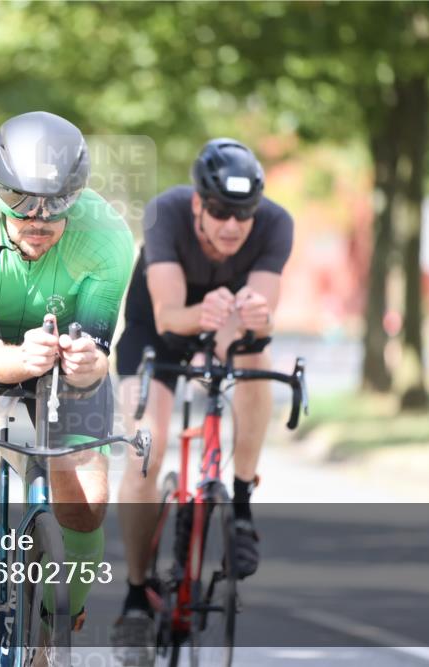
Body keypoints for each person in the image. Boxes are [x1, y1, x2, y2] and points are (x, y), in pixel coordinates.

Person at [0, 111, 134, 660]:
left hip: (55, 332)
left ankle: (60, 615)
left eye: (56, 203)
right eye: (19, 200)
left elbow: (97, 358)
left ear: (76, 196)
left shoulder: (108, 238)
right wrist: (23, 359)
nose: (37, 218)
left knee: (85, 499)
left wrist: (86, 364)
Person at [112, 138, 294, 641]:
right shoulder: (165, 213)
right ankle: (135, 591)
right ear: (198, 203)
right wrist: (210, 314)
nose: (231, 225)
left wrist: (251, 319)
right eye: (219, 211)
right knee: (146, 451)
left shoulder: (276, 223)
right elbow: (170, 316)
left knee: (258, 356)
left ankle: (238, 501)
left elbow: (260, 317)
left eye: (243, 213)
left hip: (226, 327)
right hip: (157, 332)